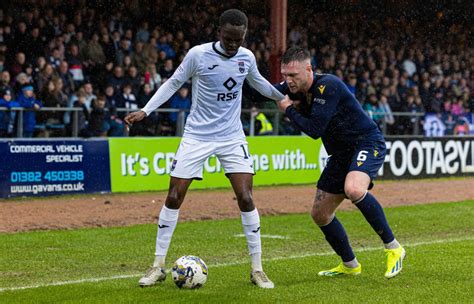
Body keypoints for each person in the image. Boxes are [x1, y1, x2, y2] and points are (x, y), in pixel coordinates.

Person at [124, 9, 284, 289]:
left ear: (244, 35)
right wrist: (146, 110)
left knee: (246, 197)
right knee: (174, 196)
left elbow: (258, 83)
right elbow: (174, 82)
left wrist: (284, 98)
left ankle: (257, 269)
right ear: (219, 32)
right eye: (229, 38)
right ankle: (157, 266)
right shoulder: (198, 55)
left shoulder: (247, 58)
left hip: (232, 136)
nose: (234, 44)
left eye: (239, 39)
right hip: (197, 135)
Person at [274, 47, 405, 279]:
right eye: (284, 75)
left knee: (354, 189)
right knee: (320, 214)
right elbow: (261, 92)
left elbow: (314, 130)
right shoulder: (289, 87)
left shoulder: (328, 86)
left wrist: (288, 110)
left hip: (366, 143)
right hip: (340, 154)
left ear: (308, 69)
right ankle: (350, 265)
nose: (288, 81)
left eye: (293, 75)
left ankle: (394, 248)